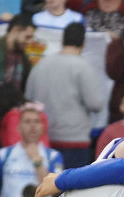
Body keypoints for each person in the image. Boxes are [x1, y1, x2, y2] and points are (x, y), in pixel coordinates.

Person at [25, 23, 107, 169]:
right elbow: (96, 104)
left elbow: (28, 100)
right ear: (83, 44)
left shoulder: (40, 65)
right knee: (71, 189)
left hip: (43, 139)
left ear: (62, 40)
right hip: (75, 140)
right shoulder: (83, 67)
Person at [0, 106, 63, 197]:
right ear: (18, 127)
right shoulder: (3, 154)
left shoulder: (53, 156)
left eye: (36, 121)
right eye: (27, 122)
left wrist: (37, 162)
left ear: (42, 127)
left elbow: (55, 190)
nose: (32, 126)